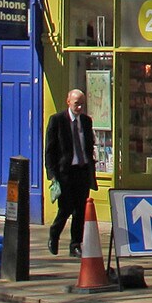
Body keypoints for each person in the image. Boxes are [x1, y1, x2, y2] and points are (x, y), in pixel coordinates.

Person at [43, 86, 98, 257]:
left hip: (81, 171)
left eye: (82, 104)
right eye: (76, 104)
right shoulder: (57, 120)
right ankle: (54, 234)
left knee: (80, 210)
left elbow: (88, 147)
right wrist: (52, 174)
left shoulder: (86, 122)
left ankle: (75, 244)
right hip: (64, 172)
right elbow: (50, 150)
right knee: (65, 208)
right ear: (68, 102)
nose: (79, 108)